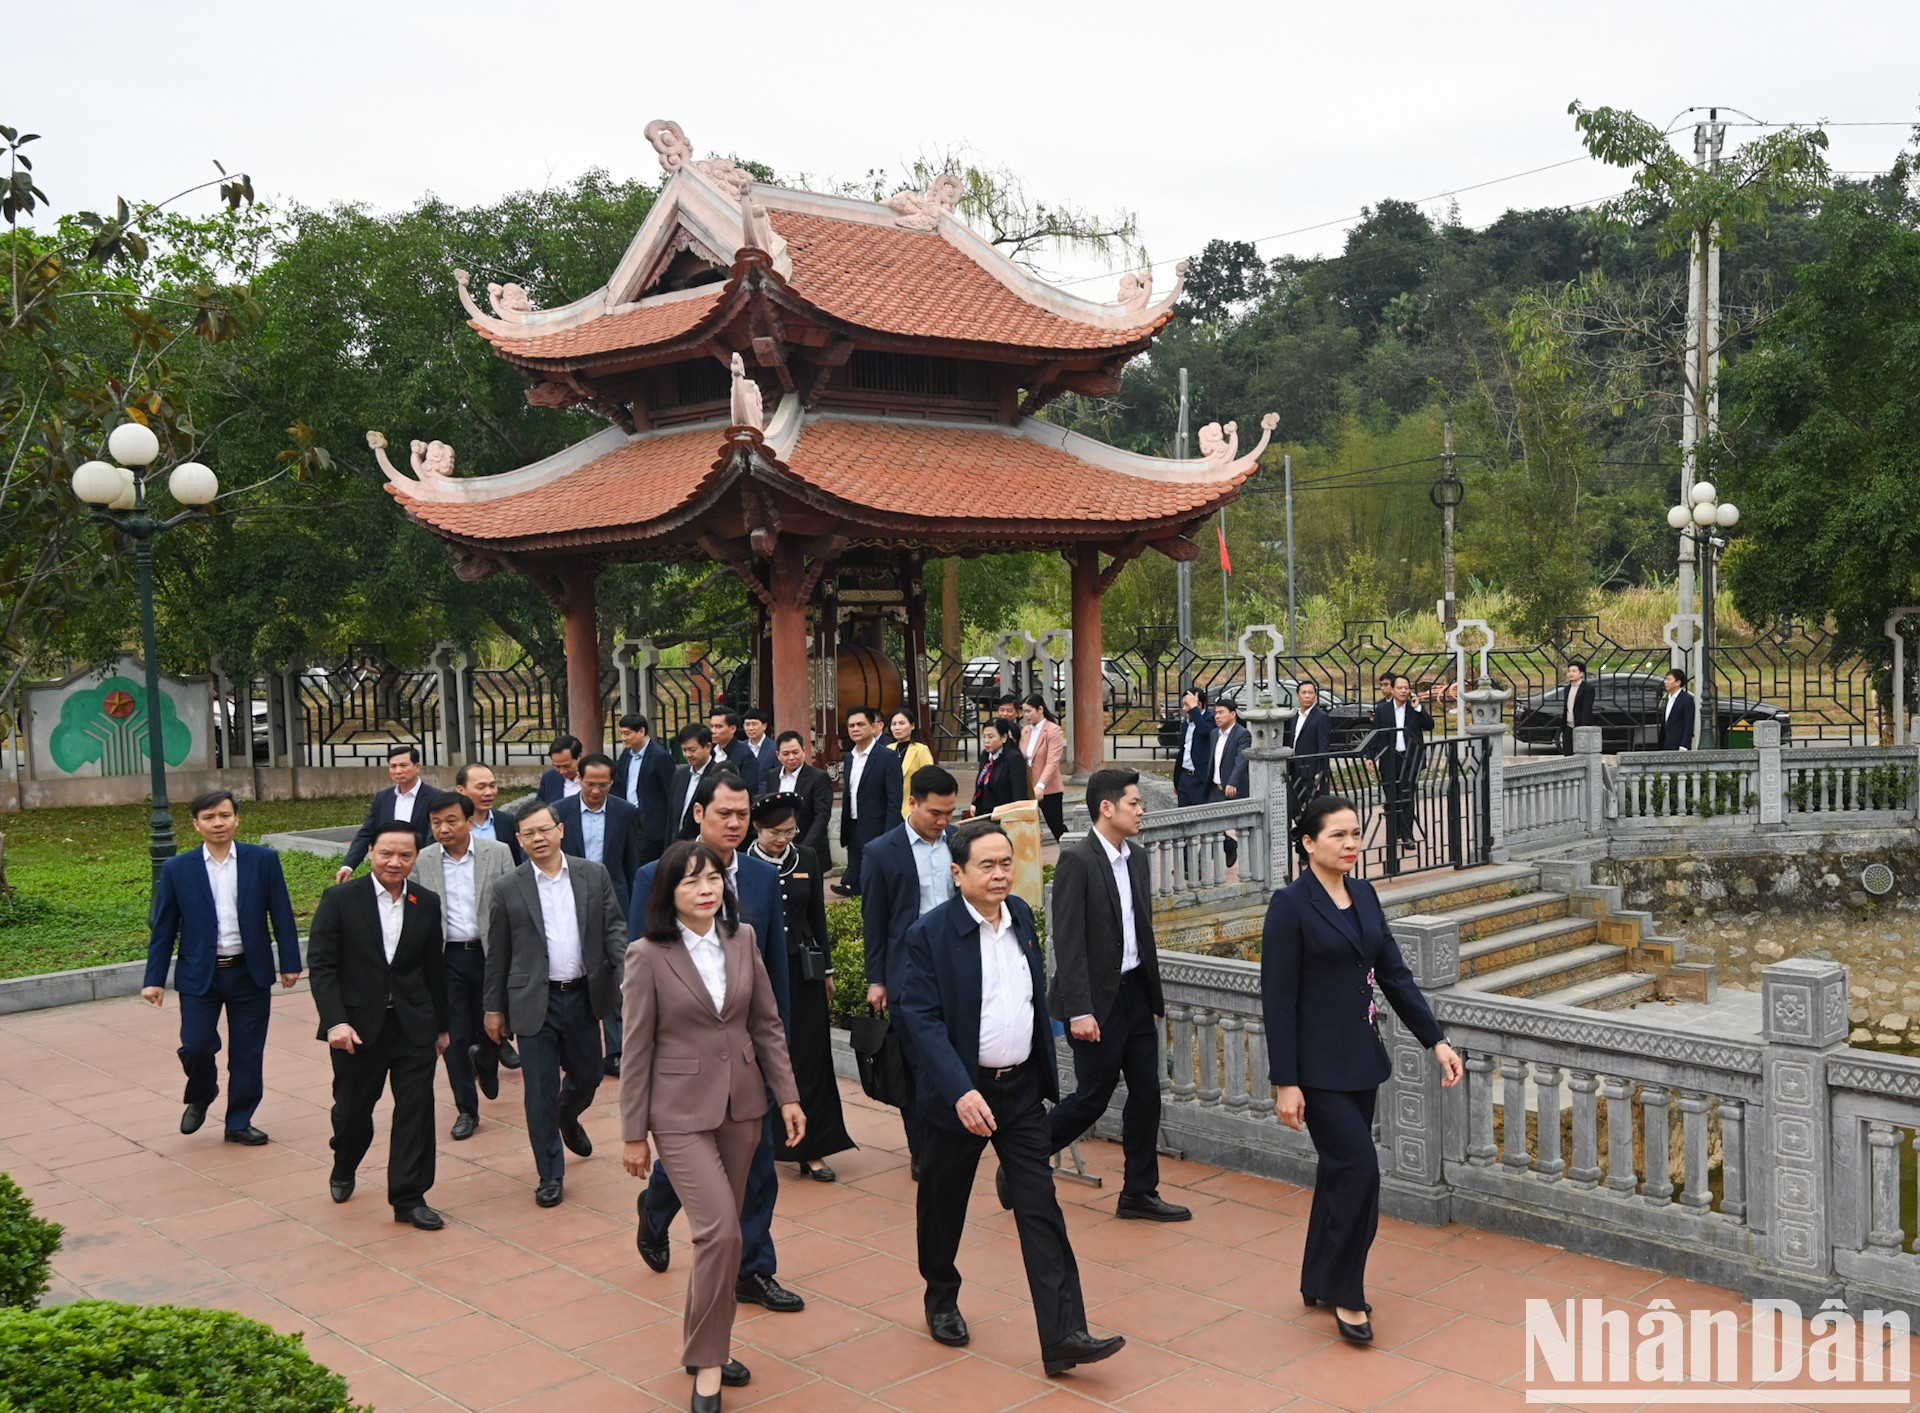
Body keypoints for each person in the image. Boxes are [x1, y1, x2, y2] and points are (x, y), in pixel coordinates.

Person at [896, 825, 1126, 1376]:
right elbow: (920, 1020)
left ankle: (1064, 1333)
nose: (1000, 874)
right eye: (987, 866)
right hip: (959, 1097)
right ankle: (941, 1295)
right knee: (943, 1204)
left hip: (1019, 1091)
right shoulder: (930, 935)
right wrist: (960, 1090)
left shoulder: (1021, 915)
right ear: (958, 874)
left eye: (1006, 863)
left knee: (1041, 1208)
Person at [1259, 795, 1463, 1342]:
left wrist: (1435, 1041)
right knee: (1360, 1172)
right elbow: (1276, 1000)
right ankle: (1348, 1293)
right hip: (1314, 1068)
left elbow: (1394, 974)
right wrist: (1285, 1081)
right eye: (1338, 836)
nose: (1351, 845)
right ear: (1308, 843)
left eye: (1356, 834)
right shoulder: (1290, 905)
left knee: (1337, 1173)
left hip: (1362, 1062)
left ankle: (1318, 1277)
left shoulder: (1366, 895)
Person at [621, 842, 804, 1413]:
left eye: (714, 878)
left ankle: (711, 1346)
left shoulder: (742, 939)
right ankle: (706, 1366)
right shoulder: (647, 954)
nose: (707, 888)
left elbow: (767, 1025)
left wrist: (790, 1097)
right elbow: (635, 1049)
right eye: (691, 881)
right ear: (668, 893)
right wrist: (633, 1132)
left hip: (743, 1107)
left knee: (721, 1243)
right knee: (720, 1231)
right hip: (676, 1112)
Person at [1038, 770, 1189, 1221]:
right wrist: (1080, 1010)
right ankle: (1025, 1156)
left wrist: (1155, 1001)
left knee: (1147, 1094)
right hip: (1096, 1003)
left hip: (1136, 995)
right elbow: (1067, 942)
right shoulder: (1077, 860)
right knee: (1092, 1097)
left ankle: (1139, 1192)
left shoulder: (1138, 858)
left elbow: (1143, 933)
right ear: (1108, 808)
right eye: (1134, 803)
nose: (1141, 810)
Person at [482, 800, 626, 1207]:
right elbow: (498, 954)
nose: (538, 838)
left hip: (583, 995)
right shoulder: (507, 887)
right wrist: (493, 1008)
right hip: (532, 1002)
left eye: (544, 829)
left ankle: (568, 1115)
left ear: (560, 830)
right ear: (519, 840)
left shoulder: (591, 874)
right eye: (528, 833)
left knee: (588, 1077)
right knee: (539, 1092)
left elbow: (614, 927)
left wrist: (628, 973)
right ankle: (550, 1173)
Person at [307, 822, 450, 1229]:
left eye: (405, 855)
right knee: (353, 1113)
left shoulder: (426, 901)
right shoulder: (340, 899)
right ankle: (345, 1161)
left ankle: (409, 1197)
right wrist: (335, 1021)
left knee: (416, 1112)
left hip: (412, 1024)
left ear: (415, 857)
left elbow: (433, 968)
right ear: (371, 852)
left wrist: (442, 1025)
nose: (395, 862)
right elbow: (322, 965)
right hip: (356, 1029)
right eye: (387, 853)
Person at [143, 788, 302, 1144]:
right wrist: (154, 979)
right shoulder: (177, 868)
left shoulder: (262, 860)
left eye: (225, 815)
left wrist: (290, 962)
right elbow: (165, 927)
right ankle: (202, 1091)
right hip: (201, 974)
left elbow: (281, 912)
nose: (219, 823)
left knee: (247, 1051)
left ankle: (239, 1121)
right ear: (196, 824)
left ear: (236, 818)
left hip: (250, 972)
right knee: (196, 1045)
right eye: (210, 817)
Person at [747, 793, 854, 1180]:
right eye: (776, 832)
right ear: (756, 829)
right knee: (767, 1058)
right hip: (759, 974)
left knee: (811, 1057)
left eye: (790, 830)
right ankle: (766, 1143)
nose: (783, 839)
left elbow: (817, 920)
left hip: (802, 973)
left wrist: (826, 970)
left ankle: (814, 1147)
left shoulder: (805, 858)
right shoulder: (742, 865)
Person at [860, 765, 960, 1178]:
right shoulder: (882, 851)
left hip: (958, 967)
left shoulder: (960, 842)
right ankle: (922, 1150)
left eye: (950, 813)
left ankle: (954, 1140)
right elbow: (876, 920)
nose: (943, 822)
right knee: (916, 1068)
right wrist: (876, 979)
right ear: (913, 803)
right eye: (935, 813)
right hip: (909, 974)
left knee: (955, 1061)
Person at [411, 791, 513, 1141]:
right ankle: (466, 1109)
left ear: (470, 822)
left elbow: (513, 904)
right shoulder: (422, 860)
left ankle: (487, 1061)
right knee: (453, 1036)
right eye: (436, 823)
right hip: (446, 957)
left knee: (493, 1023)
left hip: (490, 954)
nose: (443, 829)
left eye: (451, 821)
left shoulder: (497, 853)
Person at [555, 753, 643, 919]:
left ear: (611, 782)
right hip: (570, 892)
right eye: (590, 784)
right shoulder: (560, 811)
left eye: (603, 785)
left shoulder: (625, 812)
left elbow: (630, 859)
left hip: (613, 894)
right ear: (579, 778)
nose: (596, 791)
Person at [336, 744, 433, 883]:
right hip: (387, 869)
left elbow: (433, 838)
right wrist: (348, 866)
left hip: (419, 869)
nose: (398, 771)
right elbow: (366, 833)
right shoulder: (382, 798)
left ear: (417, 767)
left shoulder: (434, 798)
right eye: (393, 766)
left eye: (403, 765)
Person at [834, 705, 902, 897]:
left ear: (873, 727)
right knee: (857, 880)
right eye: (851, 725)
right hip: (853, 827)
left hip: (877, 828)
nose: (855, 729)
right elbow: (850, 794)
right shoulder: (849, 758)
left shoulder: (887, 757)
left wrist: (889, 834)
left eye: (860, 724)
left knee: (876, 881)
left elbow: (894, 799)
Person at [1363, 675, 1433, 852]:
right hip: (1389, 759)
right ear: (1392, 690)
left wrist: (1419, 709)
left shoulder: (1413, 709)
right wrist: (1370, 756)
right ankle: (1394, 833)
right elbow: (1375, 733)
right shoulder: (1382, 709)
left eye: (1406, 688)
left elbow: (1430, 725)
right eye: (1400, 688)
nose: (1403, 691)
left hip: (1410, 759)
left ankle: (1407, 834)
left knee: (1407, 797)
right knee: (1392, 798)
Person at [614, 712, 674, 865]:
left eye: (627, 733)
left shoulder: (659, 756)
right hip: (630, 819)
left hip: (651, 825)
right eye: (621, 733)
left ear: (641, 731)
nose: (623, 738)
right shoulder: (626, 755)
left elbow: (672, 792)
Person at [769, 730, 833, 864]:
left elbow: (822, 816)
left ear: (804, 751)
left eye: (795, 752)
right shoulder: (773, 776)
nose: (791, 758)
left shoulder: (818, 777)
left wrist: (804, 849)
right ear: (778, 755)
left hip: (809, 847)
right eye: (785, 754)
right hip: (778, 847)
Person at [1288, 681, 1333, 857]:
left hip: (1312, 772)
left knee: (1313, 812)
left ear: (1315, 695)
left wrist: (1320, 771)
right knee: (1295, 808)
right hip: (1296, 771)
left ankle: (1309, 850)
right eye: (1304, 693)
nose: (1307, 696)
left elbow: (1324, 746)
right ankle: (1301, 841)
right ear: (1297, 696)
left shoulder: (1321, 717)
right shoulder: (1294, 717)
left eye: (1310, 693)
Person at [1208, 698, 1252, 866]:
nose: (1217, 716)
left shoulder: (1242, 734)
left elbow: (1241, 760)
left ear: (1233, 715)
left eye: (1221, 713)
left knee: (1238, 827)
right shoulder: (1214, 734)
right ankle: (1229, 845)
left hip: (1231, 789)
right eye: (1216, 713)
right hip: (1214, 789)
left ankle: (1198, 866)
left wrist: (1232, 782)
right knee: (1211, 827)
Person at [1020, 694, 1067, 841]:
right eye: (1024, 712)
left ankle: (1071, 855)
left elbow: (1052, 761)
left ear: (1040, 709)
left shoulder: (1053, 730)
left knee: (1057, 827)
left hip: (1048, 789)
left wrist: (1041, 785)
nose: (1026, 715)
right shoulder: (1025, 731)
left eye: (1029, 711)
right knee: (1027, 829)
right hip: (1027, 787)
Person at [457, 761, 523, 864]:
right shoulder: (449, 825)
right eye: (481, 787)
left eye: (492, 786)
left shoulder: (507, 822)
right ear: (461, 790)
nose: (489, 793)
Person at [969, 718, 1028, 819]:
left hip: (1004, 816)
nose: (986, 741)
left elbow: (1019, 794)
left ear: (1004, 737)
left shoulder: (1013, 758)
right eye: (984, 736)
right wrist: (974, 803)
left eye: (991, 737)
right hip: (983, 814)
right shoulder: (985, 756)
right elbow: (981, 782)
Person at [670, 724, 717, 840]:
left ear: (708, 747)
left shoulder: (717, 776)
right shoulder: (679, 775)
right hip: (678, 845)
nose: (687, 755)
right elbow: (671, 817)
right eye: (684, 750)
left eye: (692, 750)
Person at [887, 708, 934, 820]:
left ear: (912, 726)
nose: (897, 727)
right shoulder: (888, 749)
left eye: (902, 723)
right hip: (890, 810)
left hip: (911, 810)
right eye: (894, 724)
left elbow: (929, 781)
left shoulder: (920, 750)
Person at [1172, 687, 1213, 807]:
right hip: (1184, 778)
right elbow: (1183, 751)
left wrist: (1194, 709)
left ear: (1198, 704)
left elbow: (1205, 732)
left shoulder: (1210, 719)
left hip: (1200, 779)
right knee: (1183, 817)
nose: (1184, 709)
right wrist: (1177, 781)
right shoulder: (1186, 724)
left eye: (1187, 705)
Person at [709, 709, 761, 795]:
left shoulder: (745, 755)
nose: (713, 731)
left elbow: (749, 790)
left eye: (718, 727)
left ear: (732, 729)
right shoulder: (710, 751)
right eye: (711, 726)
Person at [537, 735, 584, 804]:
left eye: (567, 766)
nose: (562, 771)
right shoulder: (549, 778)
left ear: (579, 756)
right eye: (557, 766)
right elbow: (539, 806)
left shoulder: (594, 777)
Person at [1562, 660, 1595, 756]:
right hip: (1568, 727)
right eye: (1569, 671)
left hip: (1580, 727)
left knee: (1581, 756)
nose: (1571, 673)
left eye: (1574, 671)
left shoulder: (1587, 689)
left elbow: (1586, 709)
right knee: (1568, 754)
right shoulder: (1567, 688)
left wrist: (1583, 728)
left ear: (1581, 674)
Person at [1659, 667, 1696, 751]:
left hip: (1679, 745)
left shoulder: (1686, 699)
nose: (1665, 682)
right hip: (1666, 744)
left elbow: (1689, 724)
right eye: (1666, 679)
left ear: (1678, 682)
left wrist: (1684, 745)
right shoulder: (1668, 698)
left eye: (1669, 680)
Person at [741, 708, 777, 788]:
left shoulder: (774, 748)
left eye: (754, 724)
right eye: (747, 724)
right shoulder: (740, 747)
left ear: (764, 726)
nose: (750, 728)